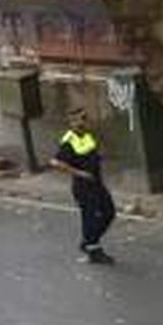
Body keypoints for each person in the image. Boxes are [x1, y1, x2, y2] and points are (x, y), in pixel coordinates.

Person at [49, 106, 116, 265]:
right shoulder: (69, 140)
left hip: (97, 182)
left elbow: (92, 153)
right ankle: (94, 249)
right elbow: (55, 162)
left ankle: (88, 242)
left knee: (109, 212)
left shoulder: (87, 135)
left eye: (85, 117)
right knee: (90, 217)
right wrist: (80, 173)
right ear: (71, 122)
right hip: (83, 186)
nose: (84, 121)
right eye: (80, 118)